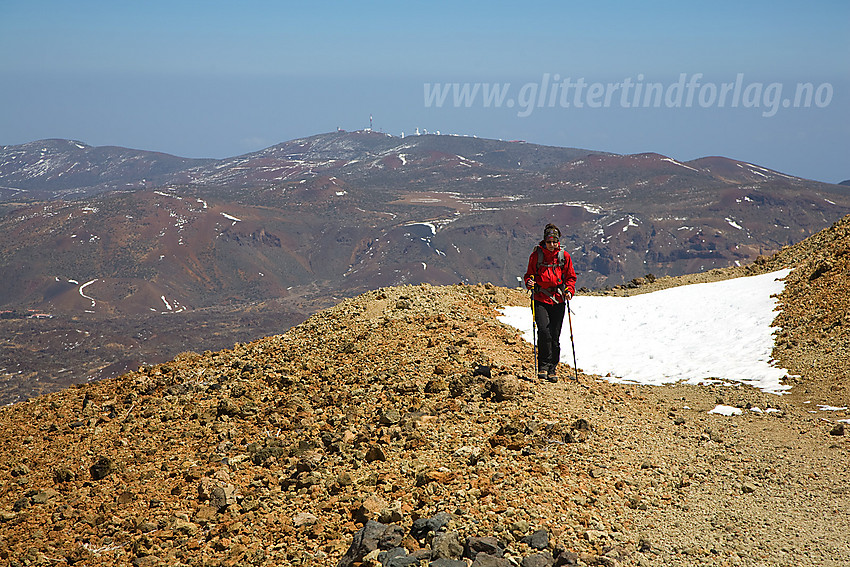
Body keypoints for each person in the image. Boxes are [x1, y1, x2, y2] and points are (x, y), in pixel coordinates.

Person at [524, 223, 577, 382]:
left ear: (558, 241)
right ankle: (543, 366)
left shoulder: (564, 256)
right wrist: (529, 283)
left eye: (554, 242)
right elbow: (529, 275)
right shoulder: (536, 256)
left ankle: (552, 368)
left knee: (554, 334)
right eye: (549, 242)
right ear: (544, 241)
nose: (552, 245)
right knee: (544, 332)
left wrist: (569, 290)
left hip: (559, 299)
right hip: (540, 298)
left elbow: (570, 277)